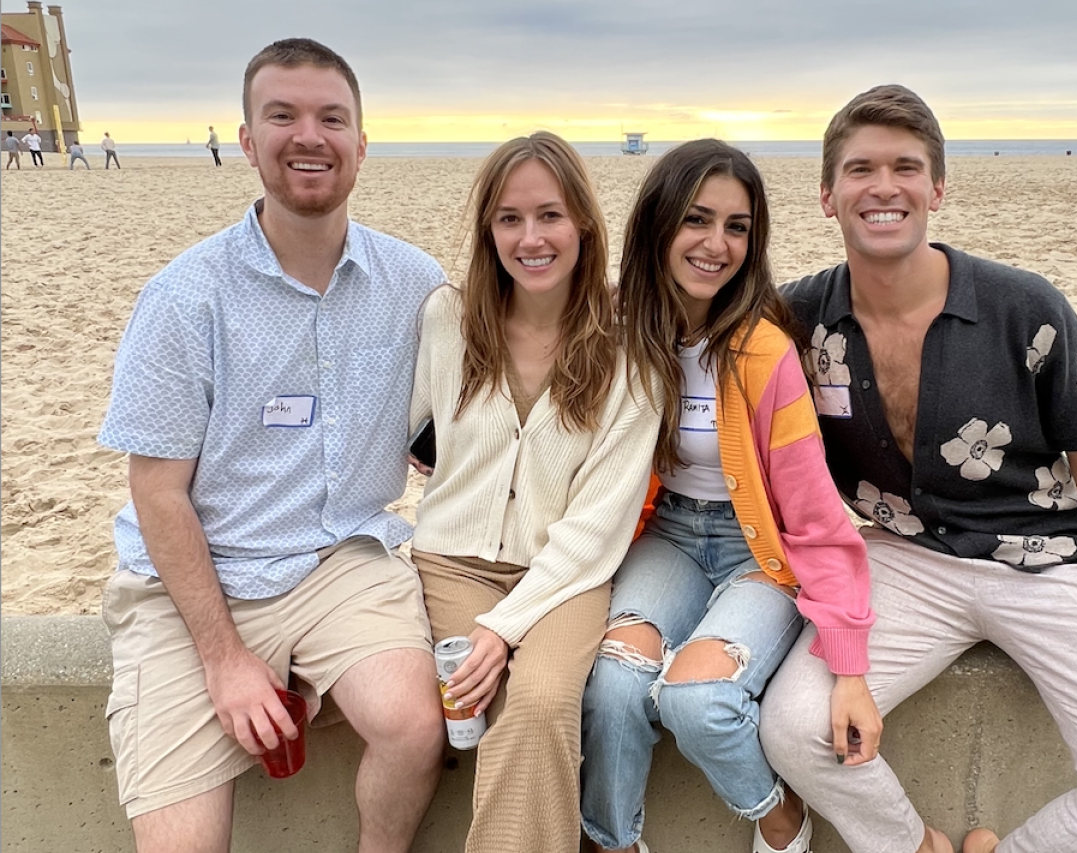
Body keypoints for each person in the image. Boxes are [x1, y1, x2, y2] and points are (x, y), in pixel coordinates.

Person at [758, 84, 1077, 853]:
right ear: (827, 194)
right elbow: (688, 341)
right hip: (904, 556)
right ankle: (915, 845)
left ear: (938, 188)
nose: (883, 186)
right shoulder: (794, 320)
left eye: (906, 167)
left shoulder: (1026, 307)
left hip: (1051, 559)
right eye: (859, 169)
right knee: (793, 730)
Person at [97, 37, 448, 853]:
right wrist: (225, 659)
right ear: (247, 141)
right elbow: (156, 491)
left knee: (411, 723)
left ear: (362, 142)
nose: (309, 136)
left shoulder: (415, 282)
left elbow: (460, 421)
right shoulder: (186, 296)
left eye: (332, 117)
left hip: (341, 559)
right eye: (282, 116)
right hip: (194, 579)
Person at [579, 139, 879, 853]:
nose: (717, 244)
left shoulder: (764, 351)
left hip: (756, 548)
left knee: (699, 700)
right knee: (614, 690)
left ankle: (780, 819)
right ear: (658, 224)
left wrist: (849, 664)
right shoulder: (620, 331)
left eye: (737, 226)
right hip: (668, 537)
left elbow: (812, 510)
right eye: (697, 219)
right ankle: (613, 843)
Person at [408, 130, 661, 853]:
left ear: (582, 220)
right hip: (450, 564)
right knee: (476, 706)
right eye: (510, 219)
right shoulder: (446, 320)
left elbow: (597, 524)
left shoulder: (629, 349)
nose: (531, 237)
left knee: (543, 699)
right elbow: (403, 433)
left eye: (549, 215)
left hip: (565, 577)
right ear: (489, 230)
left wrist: (503, 626)